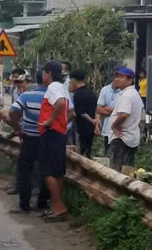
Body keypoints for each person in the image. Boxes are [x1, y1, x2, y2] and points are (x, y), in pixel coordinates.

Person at [7, 69, 49, 213]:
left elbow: (12, 112)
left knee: (25, 171)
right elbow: (70, 113)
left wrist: (18, 128)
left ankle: (24, 205)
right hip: (46, 138)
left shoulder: (27, 95)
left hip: (29, 137)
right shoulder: (53, 96)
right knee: (45, 170)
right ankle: (42, 203)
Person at [37, 61, 70, 221]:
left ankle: (58, 206)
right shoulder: (62, 88)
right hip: (59, 133)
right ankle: (57, 205)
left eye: (44, 72)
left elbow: (60, 103)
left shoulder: (53, 87)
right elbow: (70, 111)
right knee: (57, 171)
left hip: (51, 133)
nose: (42, 76)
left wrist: (49, 121)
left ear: (49, 73)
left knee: (48, 171)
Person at [107, 67, 143, 172]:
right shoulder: (134, 94)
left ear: (130, 80)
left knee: (116, 171)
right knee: (127, 170)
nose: (117, 79)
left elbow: (124, 114)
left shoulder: (127, 95)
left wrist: (114, 126)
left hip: (122, 138)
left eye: (121, 77)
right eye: (116, 76)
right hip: (130, 138)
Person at [70, 70, 99, 158]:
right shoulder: (91, 92)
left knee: (81, 152)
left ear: (74, 80)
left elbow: (81, 112)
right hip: (91, 128)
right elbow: (96, 108)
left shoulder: (77, 94)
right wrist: (95, 122)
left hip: (82, 127)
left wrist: (92, 120)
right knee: (88, 150)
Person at [93, 73, 118, 154]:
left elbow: (124, 112)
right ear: (112, 77)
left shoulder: (125, 92)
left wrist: (107, 108)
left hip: (119, 130)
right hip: (107, 129)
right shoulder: (105, 90)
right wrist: (116, 111)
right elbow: (99, 109)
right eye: (116, 77)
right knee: (107, 153)